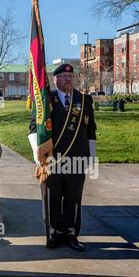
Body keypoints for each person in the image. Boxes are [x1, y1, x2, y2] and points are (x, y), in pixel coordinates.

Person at [28, 63, 97, 252]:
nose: (68, 79)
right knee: (54, 196)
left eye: (71, 76)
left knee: (73, 198)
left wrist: (91, 156)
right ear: (55, 79)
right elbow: (34, 127)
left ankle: (71, 234)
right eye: (64, 77)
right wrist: (38, 154)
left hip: (77, 159)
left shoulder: (84, 100)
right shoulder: (45, 101)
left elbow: (91, 130)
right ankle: (55, 232)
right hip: (53, 159)